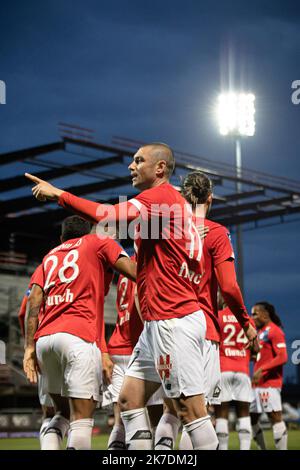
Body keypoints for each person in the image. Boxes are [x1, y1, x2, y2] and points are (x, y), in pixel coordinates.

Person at [25, 143, 257, 450]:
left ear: (160, 168)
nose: (131, 167)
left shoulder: (158, 198)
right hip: (158, 323)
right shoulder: (174, 205)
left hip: (172, 320)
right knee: (129, 399)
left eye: (138, 161)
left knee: (190, 410)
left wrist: (60, 195)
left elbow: (107, 215)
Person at [154, 170, 258, 450]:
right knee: (200, 414)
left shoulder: (163, 231)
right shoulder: (216, 232)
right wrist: (246, 322)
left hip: (164, 326)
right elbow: (229, 287)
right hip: (201, 329)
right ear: (210, 198)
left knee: (172, 411)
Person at [23, 215, 136, 450]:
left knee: (61, 413)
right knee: (82, 420)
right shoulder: (97, 242)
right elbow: (135, 272)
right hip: (78, 337)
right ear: (89, 233)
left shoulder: (50, 256)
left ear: (61, 237)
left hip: (45, 340)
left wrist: (29, 348)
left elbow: (34, 299)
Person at [103, 254, 163, 450]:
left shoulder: (125, 263)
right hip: (140, 347)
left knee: (120, 420)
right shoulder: (149, 260)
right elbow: (140, 294)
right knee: (156, 417)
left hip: (117, 346)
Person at [18, 265, 57, 448]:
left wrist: (29, 347)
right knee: (78, 413)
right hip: (77, 341)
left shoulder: (39, 280)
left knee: (49, 413)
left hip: (44, 344)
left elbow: (23, 313)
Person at [214, 292, 253, 450]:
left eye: (219, 295)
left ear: (224, 298)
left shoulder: (218, 316)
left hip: (223, 369)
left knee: (221, 414)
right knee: (244, 413)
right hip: (243, 370)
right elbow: (256, 347)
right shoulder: (248, 320)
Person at [250, 301, 288, 450]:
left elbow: (283, 357)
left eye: (255, 314)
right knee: (251, 419)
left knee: (275, 418)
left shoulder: (275, 331)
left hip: (270, 384)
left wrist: (261, 369)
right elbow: (263, 355)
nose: (252, 317)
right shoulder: (260, 332)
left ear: (265, 315)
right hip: (257, 384)